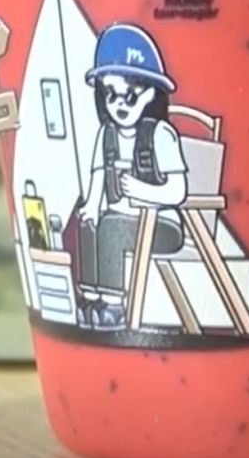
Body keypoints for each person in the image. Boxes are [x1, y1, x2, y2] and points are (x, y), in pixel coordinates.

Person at [73, 23, 188, 330]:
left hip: (161, 225)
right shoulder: (106, 135)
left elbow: (177, 191)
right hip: (120, 219)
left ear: (150, 93)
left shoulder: (160, 135)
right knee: (90, 224)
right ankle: (92, 299)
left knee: (111, 228)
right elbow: (99, 175)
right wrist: (91, 205)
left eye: (130, 96)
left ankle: (113, 306)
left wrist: (142, 191)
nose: (119, 105)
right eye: (111, 95)